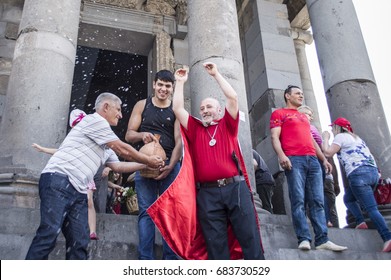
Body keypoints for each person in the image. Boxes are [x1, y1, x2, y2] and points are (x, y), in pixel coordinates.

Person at [25, 92, 165, 260]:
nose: (121, 115)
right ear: (106, 107)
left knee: (80, 242)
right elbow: (123, 150)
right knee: (48, 234)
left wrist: (145, 165)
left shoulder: (106, 141)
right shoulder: (95, 121)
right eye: (118, 110)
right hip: (58, 180)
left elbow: (118, 165)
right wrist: (148, 158)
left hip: (78, 190)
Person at [172, 62, 264, 260]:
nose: (205, 110)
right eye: (202, 108)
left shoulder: (227, 125)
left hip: (235, 189)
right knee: (216, 246)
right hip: (207, 193)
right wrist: (180, 82)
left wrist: (216, 74)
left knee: (250, 239)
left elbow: (233, 97)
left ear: (219, 110)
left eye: (209, 107)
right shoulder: (195, 129)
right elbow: (178, 108)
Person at [270, 85, 347, 251]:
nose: (301, 96)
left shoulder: (303, 117)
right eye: (298, 93)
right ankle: (303, 238)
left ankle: (322, 240)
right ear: (287, 96)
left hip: (312, 160)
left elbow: (311, 140)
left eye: (302, 93)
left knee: (318, 201)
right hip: (294, 159)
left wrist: (323, 160)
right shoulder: (279, 114)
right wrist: (282, 156)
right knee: (298, 200)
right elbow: (275, 136)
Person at [125, 70, 182, 260]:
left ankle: (170, 261)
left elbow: (179, 141)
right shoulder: (142, 105)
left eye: (167, 86)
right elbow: (129, 135)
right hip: (145, 163)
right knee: (146, 212)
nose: (163, 89)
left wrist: (171, 165)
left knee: (170, 213)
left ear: (172, 88)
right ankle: (145, 261)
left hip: (169, 165)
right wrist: (142, 135)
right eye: (160, 84)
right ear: (154, 84)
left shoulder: (175, 109)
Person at [322, 117, 391, 252]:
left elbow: (327, 152)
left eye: (333, 127)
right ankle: (360, 222)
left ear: (338, 128)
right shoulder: (358, 139)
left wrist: (325, 138)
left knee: (371, 209)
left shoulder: (341, 137)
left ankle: (387, 237)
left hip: (358, 174)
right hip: (372, 174)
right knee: (349, 199)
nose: (331, 130)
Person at [31, 109, 100, 240]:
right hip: (69, 176)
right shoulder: (73, 137)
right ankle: (75, 229)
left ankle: (92, 230)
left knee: (89, 200)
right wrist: (43, 149)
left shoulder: (90, 135)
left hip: (85, 175)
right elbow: (61, 151)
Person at [298, 105, 340, 227]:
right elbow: (320, 146)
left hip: (314, 159)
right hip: (313, 159)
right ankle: (324, 220)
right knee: (317, 192)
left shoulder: (310, 127)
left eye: (311, 115)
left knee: (316, 192)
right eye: (308, 115)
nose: (310, 118)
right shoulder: (310, 128)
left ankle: (323, 220)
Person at [252, 149, 275, 213]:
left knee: (266, 206)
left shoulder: (246, 150)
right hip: (265, 180)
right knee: (267, 204)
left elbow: (254, 164)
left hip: (262, 180)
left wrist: (249, 179)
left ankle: (269, 221)